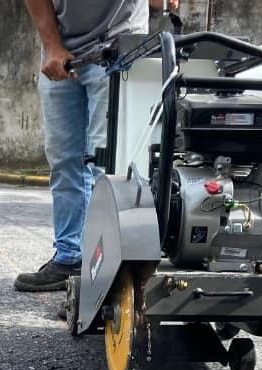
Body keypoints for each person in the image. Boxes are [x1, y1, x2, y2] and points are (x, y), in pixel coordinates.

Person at [16, 0, 176, 293]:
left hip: (119, 46)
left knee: (110, 165)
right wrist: (51, 45)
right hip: (62, 49)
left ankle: (105, 275)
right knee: (65, 160)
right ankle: (70, 259)